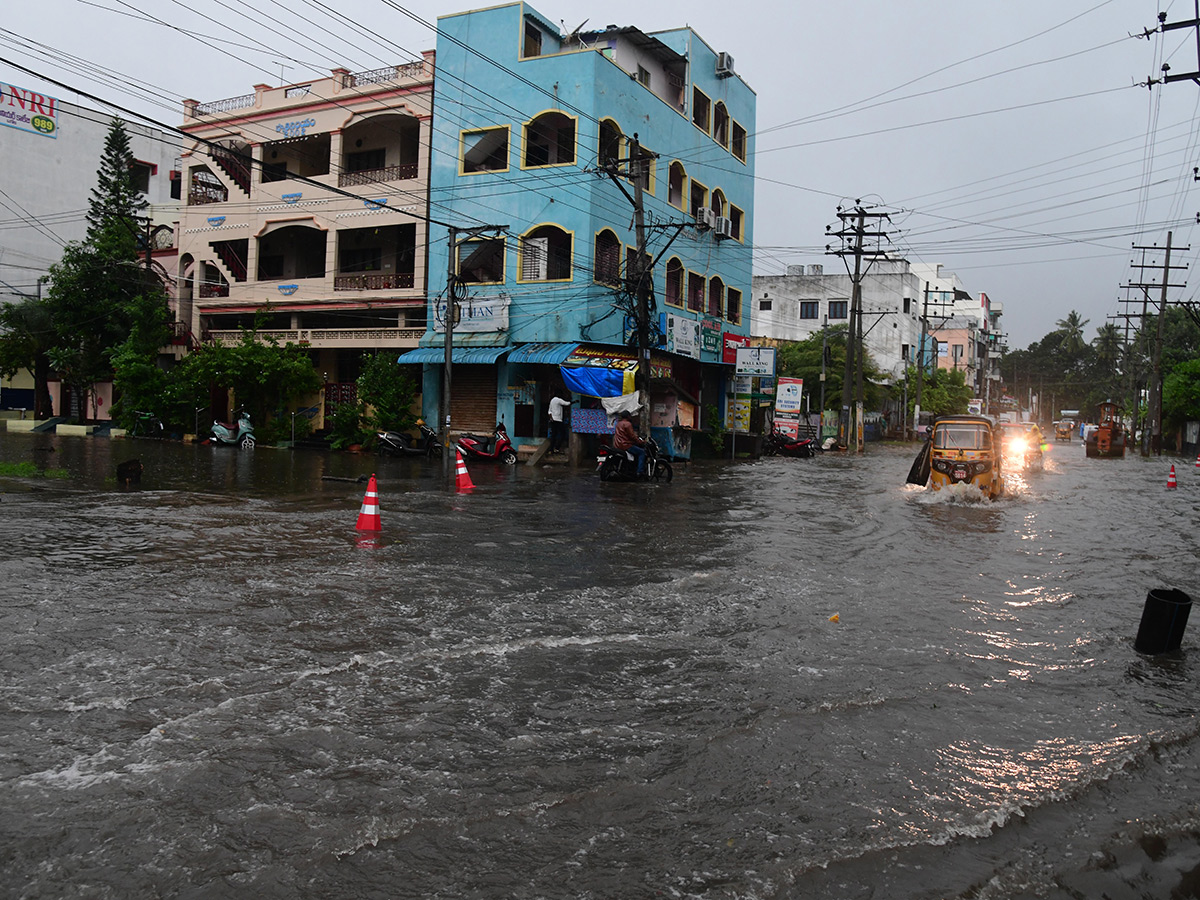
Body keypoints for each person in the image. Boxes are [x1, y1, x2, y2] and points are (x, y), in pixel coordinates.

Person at [612, 409, 647, 478]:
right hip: (625, 445)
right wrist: (640, 441)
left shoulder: (618, 423)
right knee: (642, 452)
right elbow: (632, 436)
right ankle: (639, 472)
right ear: (628, 416)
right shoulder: (628, 424)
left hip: (617, 445)